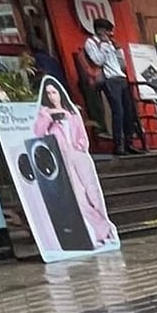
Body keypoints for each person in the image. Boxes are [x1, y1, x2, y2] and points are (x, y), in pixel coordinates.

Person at [33, 76, 117, 247]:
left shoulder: (72, 114)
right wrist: (49, 118)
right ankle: (99, 232)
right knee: (79, 198)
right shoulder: (44, 114)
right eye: (48, 93)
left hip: (79, 155)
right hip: (63, 158)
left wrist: (79, 147)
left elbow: (82, 137)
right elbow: (38, 133)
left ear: (60, 93)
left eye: (54, 92)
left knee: (93, 194)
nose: (51, 96)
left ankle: (107, 229)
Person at [84, 18, 144, 155]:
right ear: (100, 30)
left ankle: (129, 143)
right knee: (118, 111)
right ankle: (118, 145)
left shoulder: (111, 43)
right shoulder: (91, 42)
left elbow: (122, 65)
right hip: (109, 79)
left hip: (121, 78)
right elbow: (97, 60)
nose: (110, 34)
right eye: (107, 31)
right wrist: (104, 46)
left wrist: (118, 50)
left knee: (129, 112)